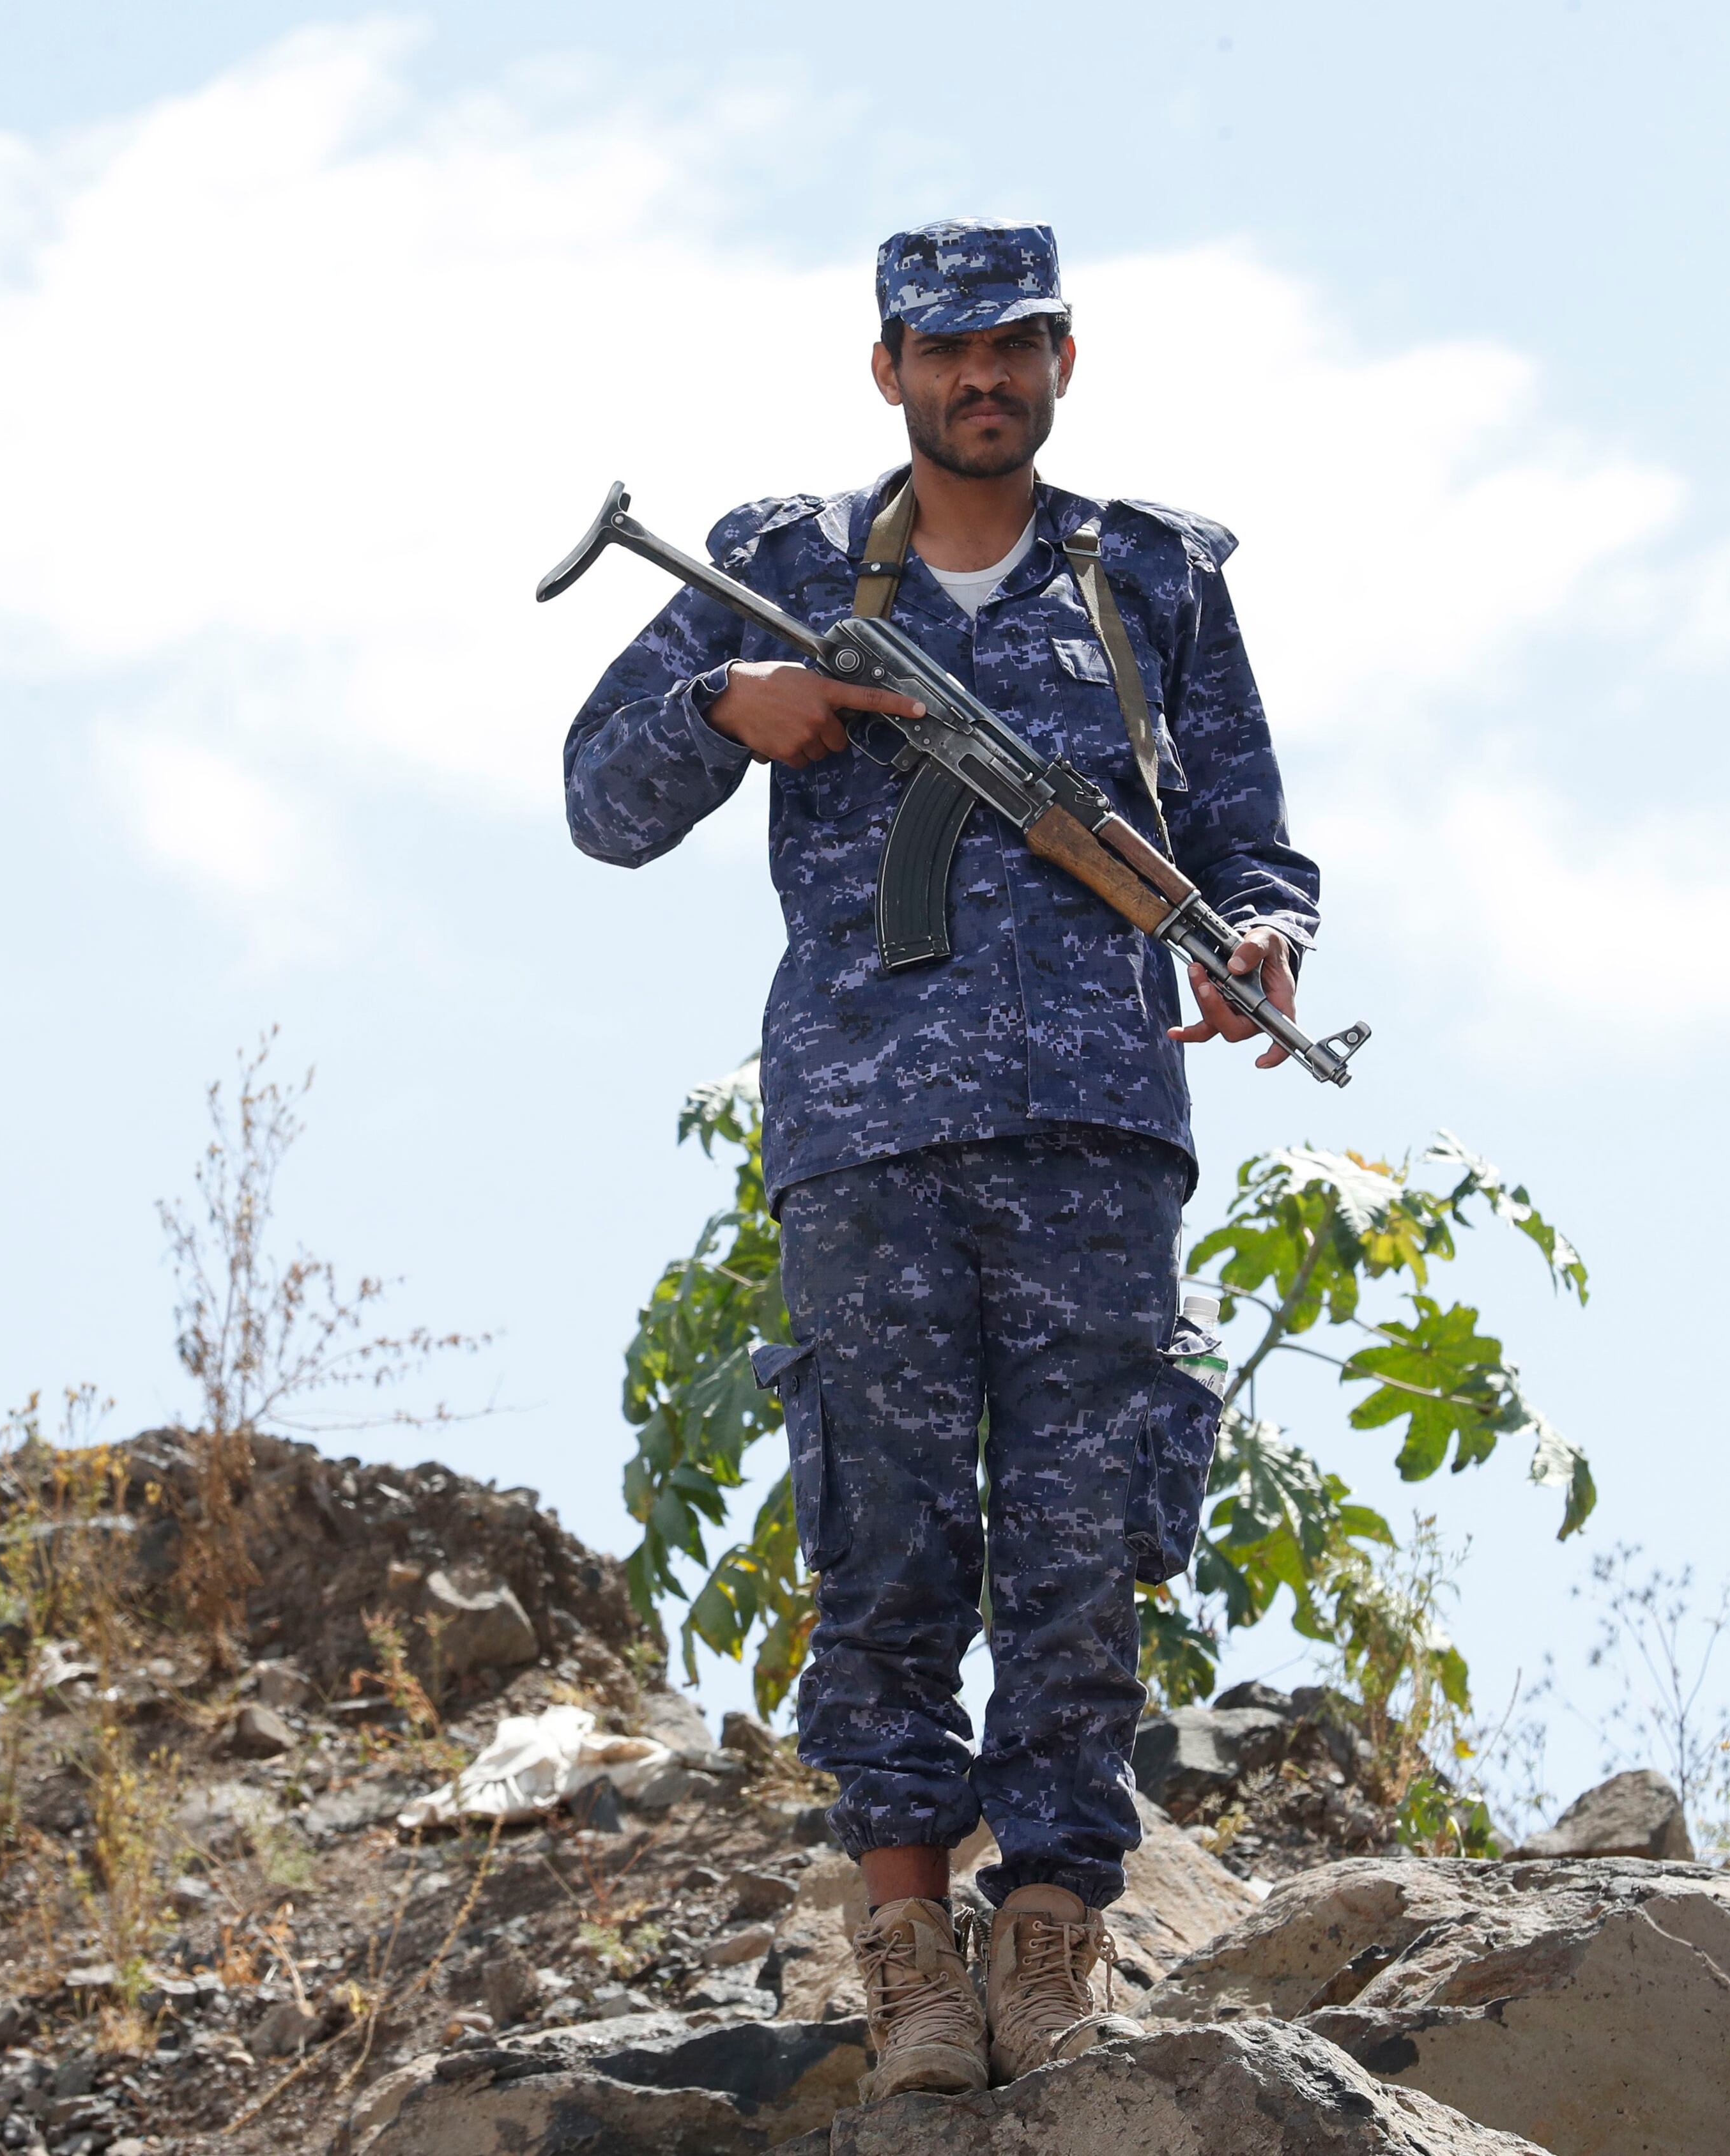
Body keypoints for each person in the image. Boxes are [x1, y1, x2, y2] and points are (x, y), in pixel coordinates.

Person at [561, 220, 1321, 2094]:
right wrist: (728, 711)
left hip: (1094, 1130)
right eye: (946, 347)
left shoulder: (1153, 577)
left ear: (1065, 358)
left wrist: (1260, 934)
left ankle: (1052, 1932)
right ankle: (907, 1942)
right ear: (888, 367)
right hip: (866, 1131)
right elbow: (599, 799)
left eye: (1014, 345)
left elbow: (1247, 829)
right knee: (883, 1541)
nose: (982, 377)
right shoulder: (778, 569)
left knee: (1081, 1545)